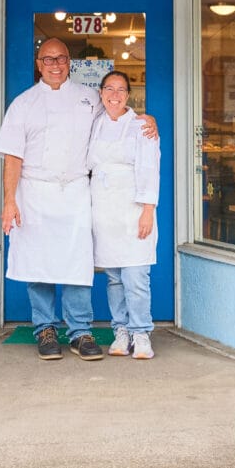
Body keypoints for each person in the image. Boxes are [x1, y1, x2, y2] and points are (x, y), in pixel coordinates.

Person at [0, 37, 107, 362]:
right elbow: (13, 157)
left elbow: (116, 118)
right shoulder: (23, 104)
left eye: (61, 58)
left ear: (69, 62)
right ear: (38, 64)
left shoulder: (89, 98)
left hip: (74, 191)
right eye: (48, 59)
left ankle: (81, 331)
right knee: (38, 264)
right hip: (34, 193)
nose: (55, 64)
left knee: (77, 264)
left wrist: (147, 121)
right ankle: (44, 329)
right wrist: (9, 201)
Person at [88, 70, 161, 360]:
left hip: (133, 207)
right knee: (114, 277)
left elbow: (149, 169)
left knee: (136, 275)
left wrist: (147, 211)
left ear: (128, 95)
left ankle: (141, 332)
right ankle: (121, 330)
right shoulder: (94, 124)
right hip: (103, 209)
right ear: (101, 93)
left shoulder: (141, 125)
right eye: (109, 89)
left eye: (121, 90)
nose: (114, 95)